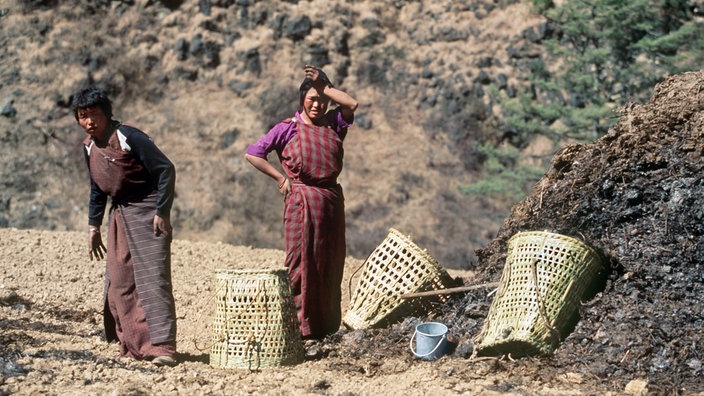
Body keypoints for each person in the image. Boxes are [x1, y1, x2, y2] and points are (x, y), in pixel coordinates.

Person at [245, 65, 359, 340]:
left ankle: (324, 328)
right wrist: (280, 178)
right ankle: (298, 329)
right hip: (302, 200)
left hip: (331, 202)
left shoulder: (334, 125)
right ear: (302, 101)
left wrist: (325, 86)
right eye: (312, 99)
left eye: (322, 101)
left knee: (329, 262)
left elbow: (352, 103)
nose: (317, 105)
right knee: (301, 263)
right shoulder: (288, 128)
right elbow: (254, 153)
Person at [71, 87, 178, 366]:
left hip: (147, 210)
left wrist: (162, 212)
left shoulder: (130, 137)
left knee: (153, 279)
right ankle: (133, 345)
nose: (90, 121)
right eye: (83, 116)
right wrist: (93, 227)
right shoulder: (90, 147)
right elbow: (97, 188)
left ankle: (162, 348)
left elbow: (165, 169)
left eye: (94, 114)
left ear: (106, 113)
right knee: (119, 281)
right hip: (119, 215)